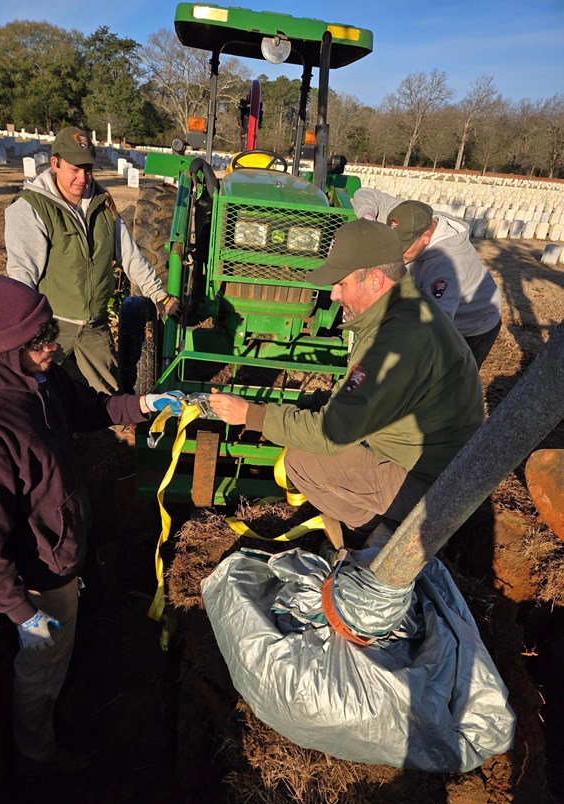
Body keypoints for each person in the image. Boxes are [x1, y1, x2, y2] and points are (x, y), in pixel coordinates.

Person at [0, 274, 182, 776]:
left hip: (66, 547)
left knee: (66, 645)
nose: (52, 346)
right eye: (38, 343)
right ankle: (37, 759)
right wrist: (19, 612)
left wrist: (142, 406)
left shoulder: (43, 378)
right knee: (41, 669)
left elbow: (91, 408)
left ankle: (63, 687)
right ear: (1, 350)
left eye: (49, 332)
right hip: (41, 576)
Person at [209, 219, 484, 549]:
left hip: (434, 489)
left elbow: (330, 434)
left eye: (341, 283)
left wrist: (249, 415)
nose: (334, 294)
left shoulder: (395, 343)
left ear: (375, 280)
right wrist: (307, 404)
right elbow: (361, 403)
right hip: (437, 466)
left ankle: (378, 541)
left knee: (304, 462)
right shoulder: (408, 311)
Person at [4, 126, 179, 394]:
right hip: (53, 325)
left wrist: (159, 295)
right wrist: (28, 332)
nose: (83, 178)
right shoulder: (31, 208)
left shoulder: (102, 205)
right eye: (74, 169)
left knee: (110, 394)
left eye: (87, 169)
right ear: (55, 163)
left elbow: (130, 256)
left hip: (94, 325)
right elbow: (22, 275)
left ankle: (118, 432)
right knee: (34, 391)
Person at [351, 188, 501, 367]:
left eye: (403, 249)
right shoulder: (407, 218)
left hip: (472, 324)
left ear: (426, 237)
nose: (396, 255)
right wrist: (369, 220)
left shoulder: (446, 267)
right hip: (433, 302)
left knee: (449, 378)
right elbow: (366, 193)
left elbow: (435, 325)